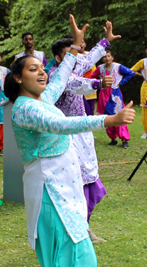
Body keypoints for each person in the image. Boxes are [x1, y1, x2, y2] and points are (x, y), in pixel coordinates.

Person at [4, 15, 135, 267]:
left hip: (61, 188)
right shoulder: (26, 108)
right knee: (81, 261)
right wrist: (107, 120)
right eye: (33, 69)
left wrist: (88, 47)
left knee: (58, 263)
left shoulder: (42, 95)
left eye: (41, 67)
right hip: (50, 192)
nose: (42, 71)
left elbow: (62, 75)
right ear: (18, 78)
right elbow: (60, 125)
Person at [47, 27, 118, 243]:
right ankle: (73, 230)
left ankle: (84, 227)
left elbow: (90, 59)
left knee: (89, 181)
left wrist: (105, 41)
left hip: (82, 136)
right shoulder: (53, 76)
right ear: (59, 57)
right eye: (71, 53)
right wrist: (96, 83)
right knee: (74, 184)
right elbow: (73, 85)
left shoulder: (74, 67)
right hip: (66, 137)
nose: (76, 57)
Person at [91, 50, 135, 148]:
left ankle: (124, 139)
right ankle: (113, 138)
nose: (106, 58)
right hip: (104, 94)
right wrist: (99, 83)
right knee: (107, 116)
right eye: (104, 57)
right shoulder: (100, 68)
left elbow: (131, 73)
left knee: (119, 114)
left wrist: (121, 82)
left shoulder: (118, 67)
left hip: (115, 94)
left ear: (112, 57)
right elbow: (92, 76)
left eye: (108, 56)